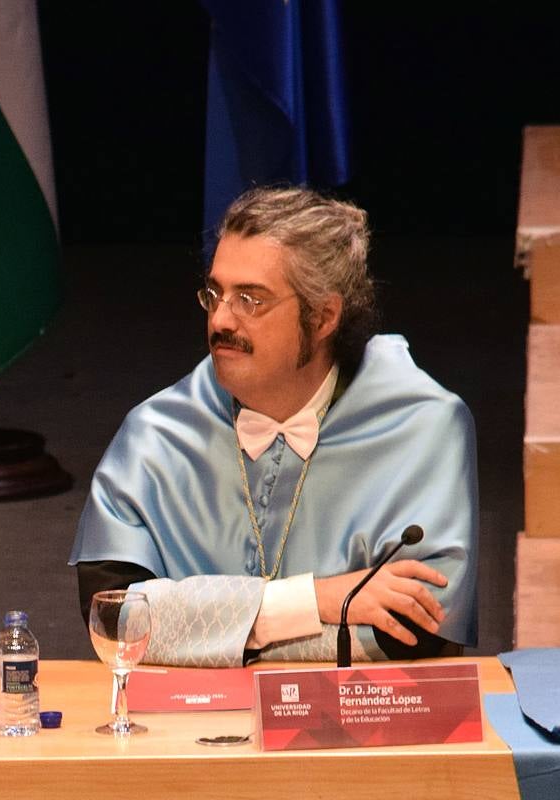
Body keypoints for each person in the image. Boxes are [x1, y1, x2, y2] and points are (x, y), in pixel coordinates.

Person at [70, 186, 477, 667]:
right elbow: (114, 618)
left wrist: (202, 631)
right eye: (215, 293)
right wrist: (316, 601)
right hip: (184, 729)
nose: (221, 319)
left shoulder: (422, 426)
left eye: (251, 300)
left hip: (361, 731)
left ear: (323, 316)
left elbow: (411, 632)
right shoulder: (157, 432)